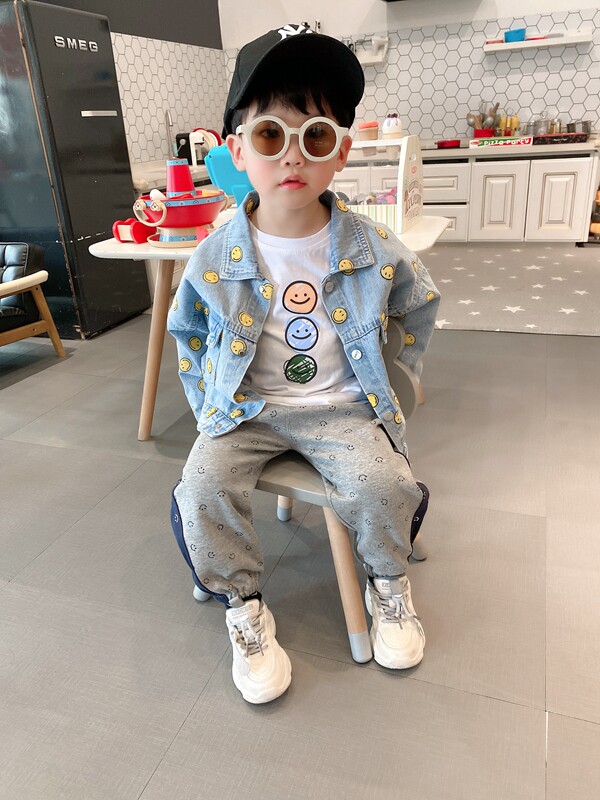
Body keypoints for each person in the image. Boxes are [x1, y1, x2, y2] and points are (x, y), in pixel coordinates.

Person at [168, 23, 440, 704]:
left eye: (314, 135)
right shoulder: (214, 253)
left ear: (341, 150)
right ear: (238, 150)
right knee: (200, 489)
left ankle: (388, 585)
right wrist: (209, 407)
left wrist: (395, 386)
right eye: (270, 135)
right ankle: (243, 608)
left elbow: (419, 304)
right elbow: (187, 331)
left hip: (341, 408)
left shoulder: (373, 245)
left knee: (385, 483)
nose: (293, 154)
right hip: (247, 410)